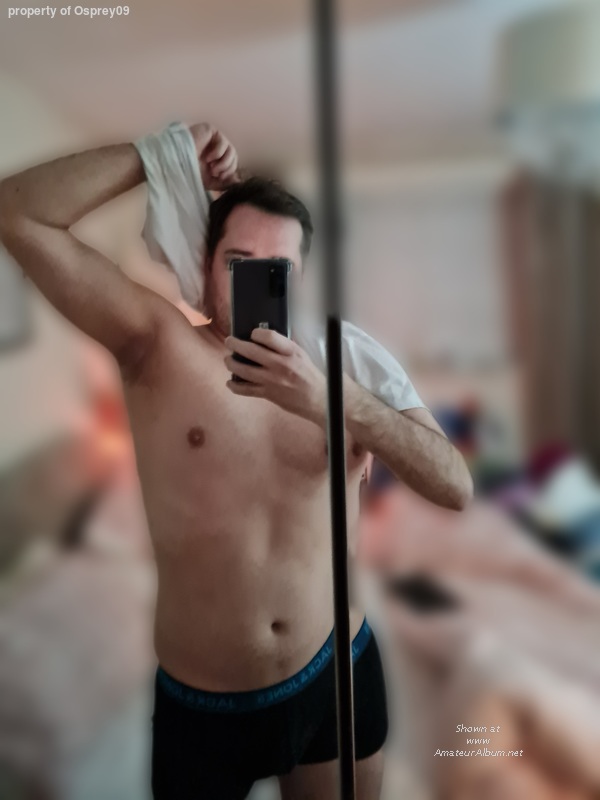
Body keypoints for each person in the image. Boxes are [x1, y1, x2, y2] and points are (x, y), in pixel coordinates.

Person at [0, 122, 473, 800]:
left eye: (277, 269)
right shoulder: (158, 346)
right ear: (206, 264)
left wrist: (330, 400)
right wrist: (161, 155)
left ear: (300, 276)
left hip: (338, 669)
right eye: (239, 263)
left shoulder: (349, 357)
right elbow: (19, 214)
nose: (258, 282)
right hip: (206, 706)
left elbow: (455, 485)